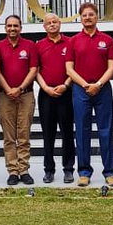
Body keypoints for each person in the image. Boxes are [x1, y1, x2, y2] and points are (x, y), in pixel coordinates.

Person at [65, 2, 113, 188]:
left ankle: (110, 172)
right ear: (80, 18)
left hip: (102, 89)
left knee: (106, 130)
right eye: (84, 15)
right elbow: (69, 69)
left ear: (97, 17)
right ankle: (84, 172)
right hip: (81, 89)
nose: (88, 17)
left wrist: (98, 84)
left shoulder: (107, 40)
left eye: (91, 14)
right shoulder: (73, 41)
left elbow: (112, 67)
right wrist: (86, 84)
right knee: (82, 131)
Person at [0, 14, 39, 185]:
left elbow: (33, 69)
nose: (12, 29)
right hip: (5, 95)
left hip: (26, 95)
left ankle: (24, 170)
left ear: (21, 28)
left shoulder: (30, 46)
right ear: (5, 28)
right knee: (9, 136)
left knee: (23, 135)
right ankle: (12, 171)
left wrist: (20, 88)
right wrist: (8, 89)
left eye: (16, 26)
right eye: (9, 26)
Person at [35, 13, 74, 184]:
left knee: (67, 133)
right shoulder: (39, 45)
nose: (52, 25)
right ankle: (49, 170)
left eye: (55, 22)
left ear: (60, 24)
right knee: (48, 134)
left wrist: (65, 85)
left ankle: (68, 169)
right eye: (48, 23)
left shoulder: (70, 43)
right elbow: (35, 70)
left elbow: (74, 68)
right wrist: (46, 88)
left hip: (66, 92)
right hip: (46, 93)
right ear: (44, 27)